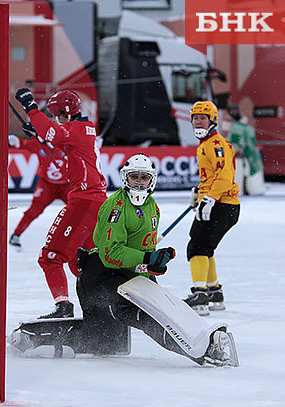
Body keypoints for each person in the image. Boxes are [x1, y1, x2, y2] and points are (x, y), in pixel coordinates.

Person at [76, 153, 236, 367]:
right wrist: (147, 258)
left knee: (111, 343)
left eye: (144, 178)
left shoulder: (152, 206)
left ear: (152, 180)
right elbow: (111, 254)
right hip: (100, 276)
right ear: (125, 178)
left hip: (126, 275)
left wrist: (152, 266)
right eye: (134, 177)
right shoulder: (115, 207)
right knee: (141, 318)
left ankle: (202, 342)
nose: (139, 183)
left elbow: (144, 249)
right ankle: (202, 352)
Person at [15, 88, 107, 318]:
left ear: (65, 112)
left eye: (56, 114)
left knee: (51, 257)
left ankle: (63, 307)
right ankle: (101, 307)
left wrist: (30, 107)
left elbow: (54, 133)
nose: (55, 118)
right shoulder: (84, 129)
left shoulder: (76, 129)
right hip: (95, 201)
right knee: (80, 262)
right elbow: (58, 138)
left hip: (84, 201)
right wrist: (38, 134)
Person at [185, 101, 240, 316]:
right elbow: (211, 176)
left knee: (197, 247)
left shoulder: (216, 144)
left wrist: (209, 198)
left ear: (212, 120)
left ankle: (200, 294)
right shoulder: (205, 144)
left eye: (203, 118)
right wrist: (199, 192)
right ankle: (214, 293)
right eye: (195, 118)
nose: (198, 122)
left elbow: (224, 177)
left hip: (222, 204)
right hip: (217, 202)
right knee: (204, 247)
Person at [8, 132, 69, 250]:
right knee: (34, 210)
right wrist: (14, 139)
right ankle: (16, 234)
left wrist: (93, 144)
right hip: (47, 184)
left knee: (78, 210)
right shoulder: (40, 144)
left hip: (67, 185)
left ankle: (89, 237)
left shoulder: (67, 144)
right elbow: (22, 144)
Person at [226, 103, 266, 195]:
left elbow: (243, 140)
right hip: (235, 156)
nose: (233, 112)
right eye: (231, 110)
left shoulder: (244, 122)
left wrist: (240, 149)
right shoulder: (227, 121)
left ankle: (250, 190)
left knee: (248, 174)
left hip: (246, 155)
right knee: (238, 175)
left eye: (235, 110)